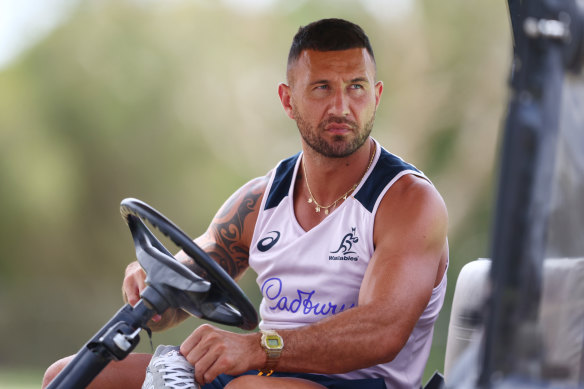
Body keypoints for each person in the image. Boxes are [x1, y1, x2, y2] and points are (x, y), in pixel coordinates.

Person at [43, 18, 448, 389]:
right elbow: (191, 278)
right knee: (67, 376)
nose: (341, 107)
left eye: (356, 87)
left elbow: (381, 333)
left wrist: (257, 348)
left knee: (245, 388)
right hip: (262, 374)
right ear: (288, 100)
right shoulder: (260, 200)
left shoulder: (408, 201)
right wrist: (153, 288)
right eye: (322, 87)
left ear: (375, 96)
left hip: (356, 383)